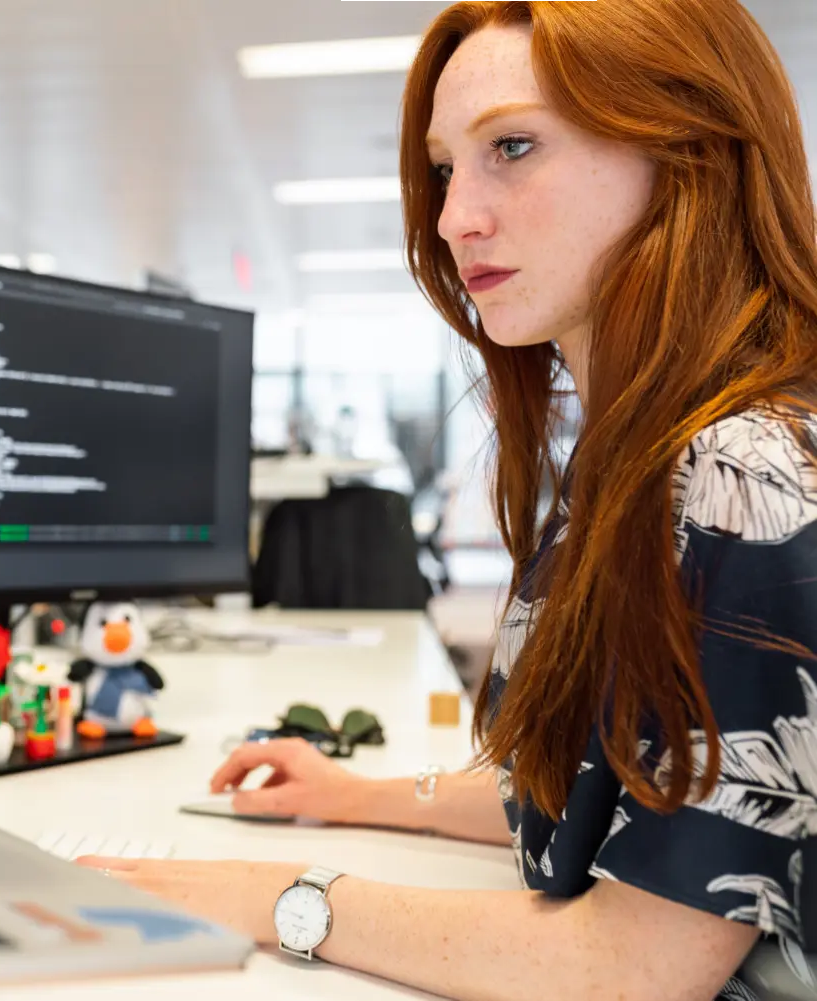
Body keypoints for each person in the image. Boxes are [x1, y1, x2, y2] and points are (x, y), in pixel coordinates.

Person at [77, 0, 817, 997]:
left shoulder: (747, 473)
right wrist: (362, 794)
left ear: (686, 149)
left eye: (512, 146)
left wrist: (276, 897)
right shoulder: (633, 459)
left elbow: (639, 964)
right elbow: (613, 789)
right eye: (443, 168)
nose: (453, 215)